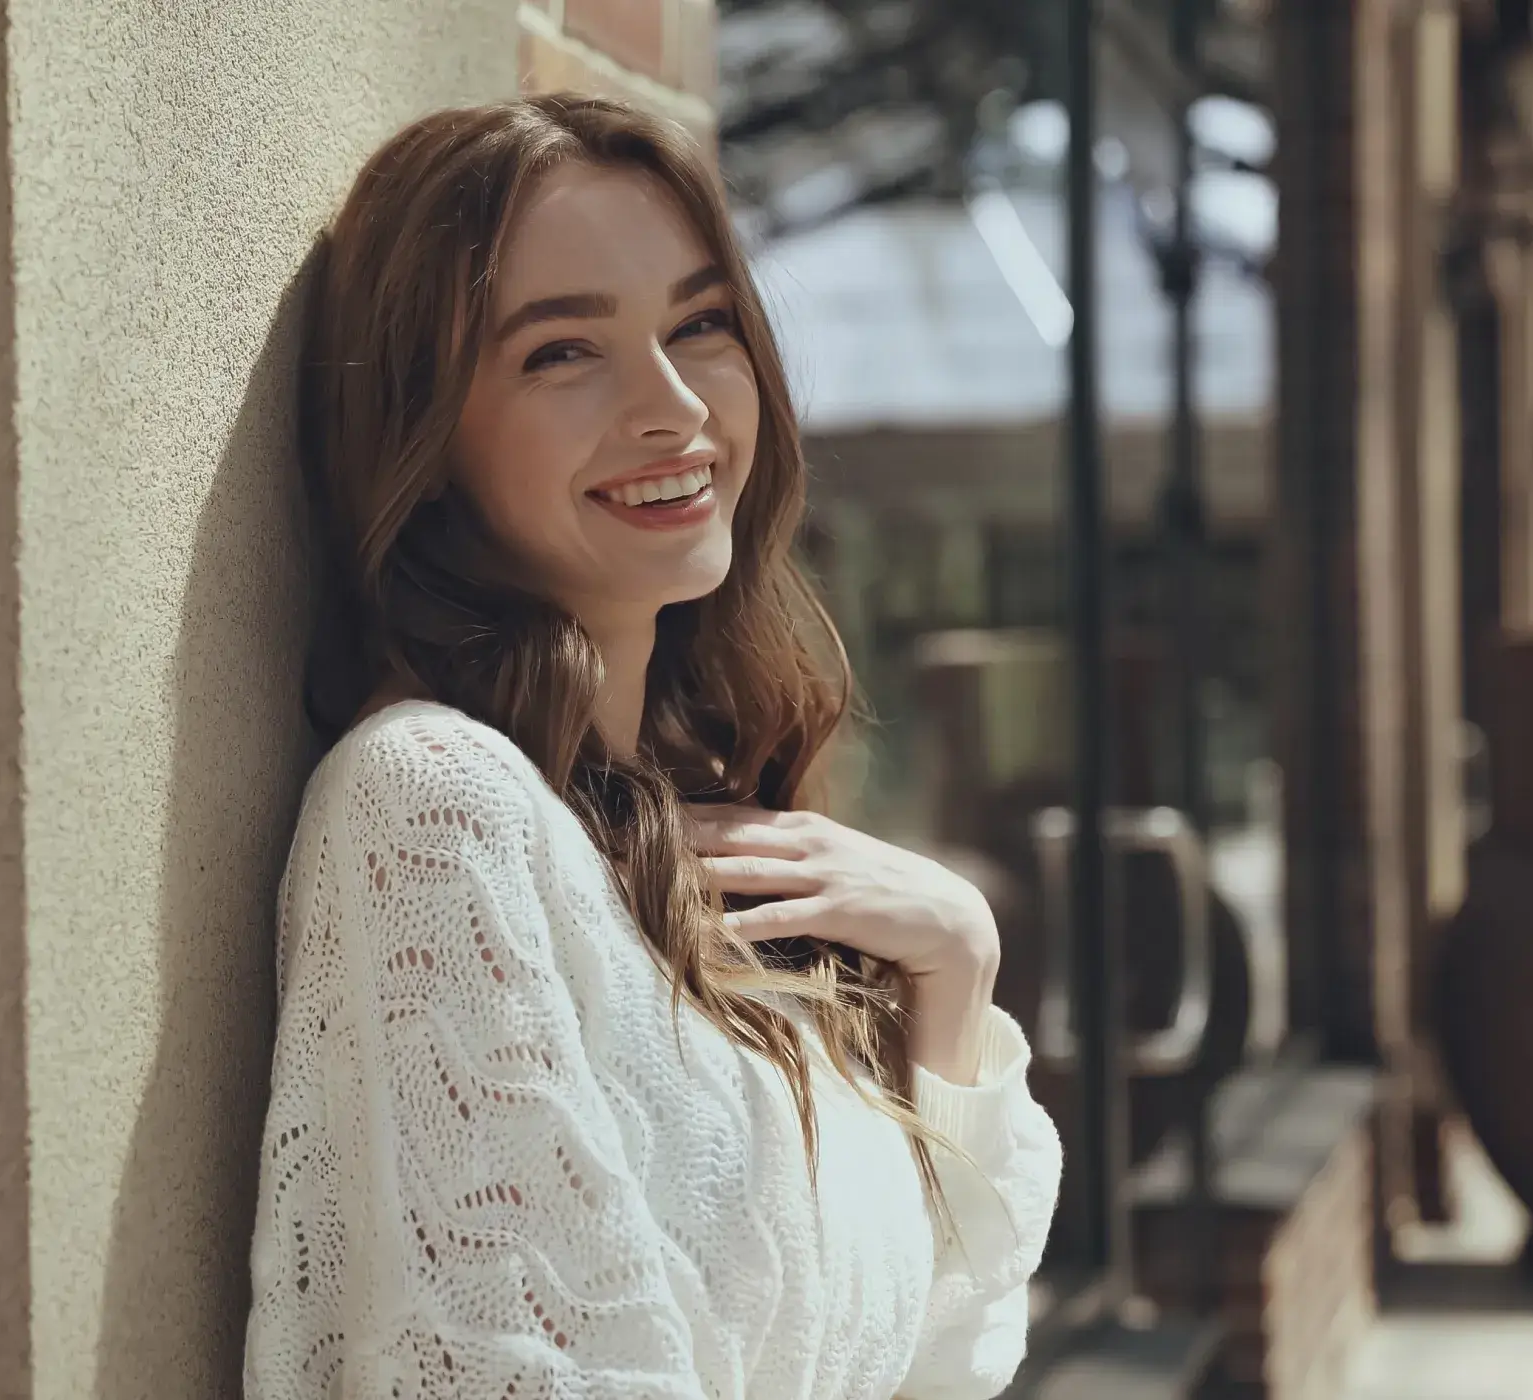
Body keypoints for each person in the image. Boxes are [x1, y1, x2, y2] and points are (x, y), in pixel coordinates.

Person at [246, 94, 1061, 1400]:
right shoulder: (432, 811)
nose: (674, 404)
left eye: (700, 325)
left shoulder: (691, 833)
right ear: (427, 439)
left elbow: (938, 1359)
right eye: (563, 353)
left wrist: (956, 969)